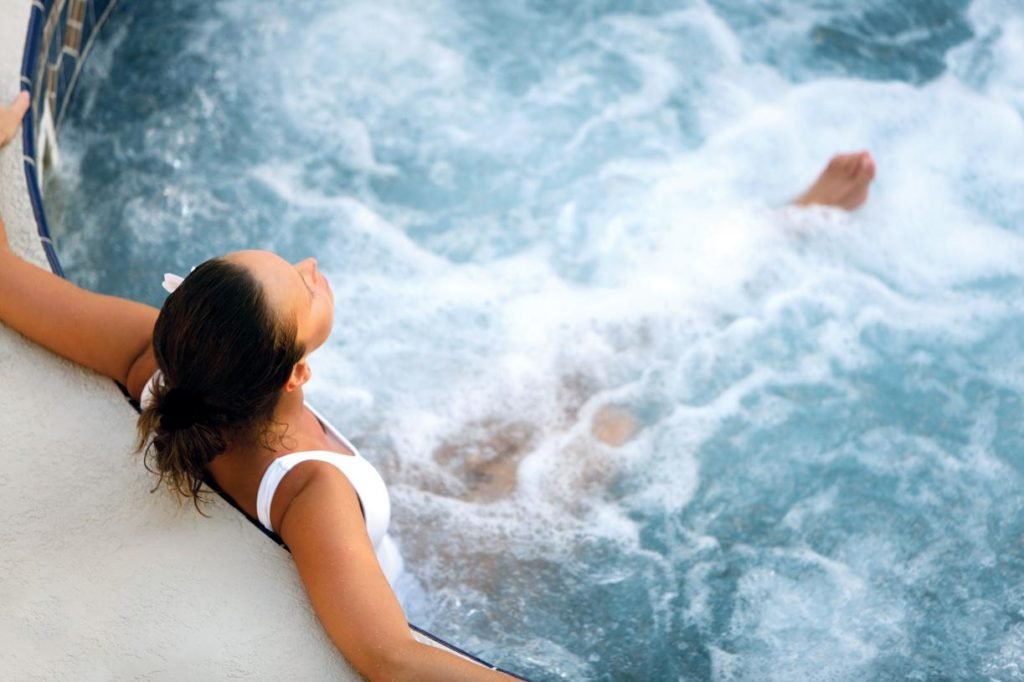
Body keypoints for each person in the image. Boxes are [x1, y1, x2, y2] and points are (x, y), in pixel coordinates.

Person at [0, 92, 874, 677]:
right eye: (302, 286)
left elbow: (5, 278)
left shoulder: (154, 356)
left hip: (398, 500)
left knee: (566, 371)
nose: (312, 266)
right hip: (446, 575)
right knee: (606, 430)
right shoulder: (312, 494)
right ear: (297, 374)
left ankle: (777, 231)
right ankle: (775, 249)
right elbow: (389, 654)